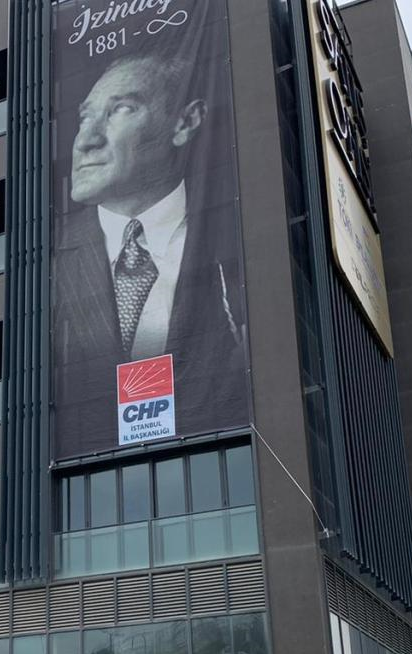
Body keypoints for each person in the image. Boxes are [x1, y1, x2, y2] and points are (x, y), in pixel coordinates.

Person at [54, 50, 248, 457]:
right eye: (85, 117)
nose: (86, 141)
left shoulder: (239, 236)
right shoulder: (49, 261)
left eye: (121, 109)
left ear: (185, 122)